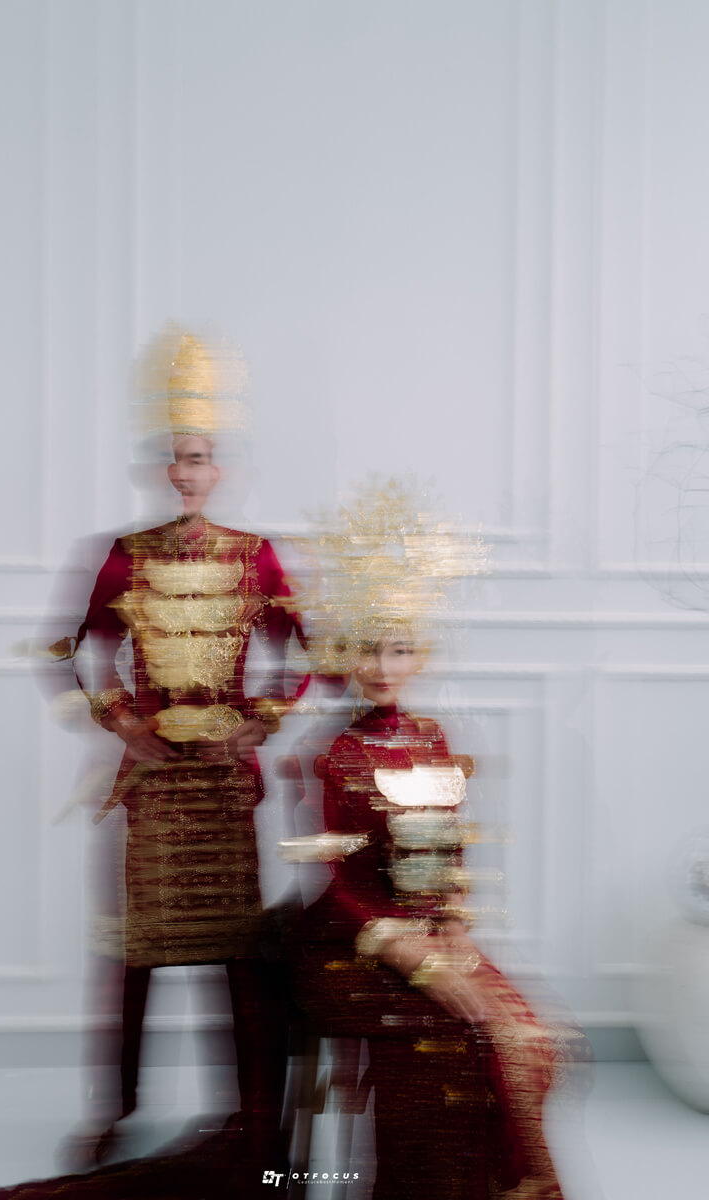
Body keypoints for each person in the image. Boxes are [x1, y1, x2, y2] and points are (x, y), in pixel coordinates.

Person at [285, 482, 580, 1200]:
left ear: (420, 655)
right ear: (346, 653)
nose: (383, 667)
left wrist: (451, 922)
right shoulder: (332, 753)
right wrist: (414, 956)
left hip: (427, 932)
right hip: (348, 942)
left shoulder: (432, 739)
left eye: (399, 649)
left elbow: (449, 853)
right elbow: (340, 884)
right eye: (369, 649)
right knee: (457, 1033)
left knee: (526, 1037)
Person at [61, 327, 306, 1176]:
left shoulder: (255, 556)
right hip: (155, 783)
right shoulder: (124, 557)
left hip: (225, 787)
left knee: (238, 952)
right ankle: (118, 1108)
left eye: (198, 457)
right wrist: (123, 723)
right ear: (159, 469)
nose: (185, 471)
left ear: (219, 467)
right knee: (136, 953)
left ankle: (252, 1110)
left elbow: (309, 652)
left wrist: (261, 720)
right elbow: (72, 648)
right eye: (173, 458)